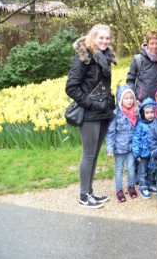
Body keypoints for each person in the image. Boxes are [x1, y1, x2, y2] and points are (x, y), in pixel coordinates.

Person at [65, 24, 116, 209]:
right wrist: (93, 104)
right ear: (92, 37)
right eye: (100, 38)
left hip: (103, 110)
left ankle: (89, 191)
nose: (104, 41)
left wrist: (109, 102)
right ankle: (83, 196)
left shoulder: (105, 57)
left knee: (94, 155)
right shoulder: (83, 57)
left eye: (107, 38)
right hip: (89, 112)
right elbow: (71, 88)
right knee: (88, 155)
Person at [106, 85, 138, 202]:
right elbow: (111, 132)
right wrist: (109, 148)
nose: (129, 101)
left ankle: (131, 186)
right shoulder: (116, 114)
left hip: (131, 146)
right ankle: (119, 189)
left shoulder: (135, 112)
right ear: (120, 99)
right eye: (126, 98)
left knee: (131, 167)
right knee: (119, 168)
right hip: (119, 147)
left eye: (131, 98)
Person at [126, 30, 157, 103]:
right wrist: (134, 98)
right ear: (147, 44)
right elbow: (130, 80)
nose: (154, 46)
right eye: (152, 43)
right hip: (141, 103)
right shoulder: (138, 59)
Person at [132, 98, 157, 200]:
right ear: (143, 113)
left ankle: (150, 184)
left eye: (152, 112)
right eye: (147, 112)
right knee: (143, 171)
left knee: (152, 170)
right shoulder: (140, 125)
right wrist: (137, 153)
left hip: (153, 153)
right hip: (143, 153)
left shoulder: (156, 124)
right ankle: (143, 186)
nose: (150, 115)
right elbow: (136, 139)